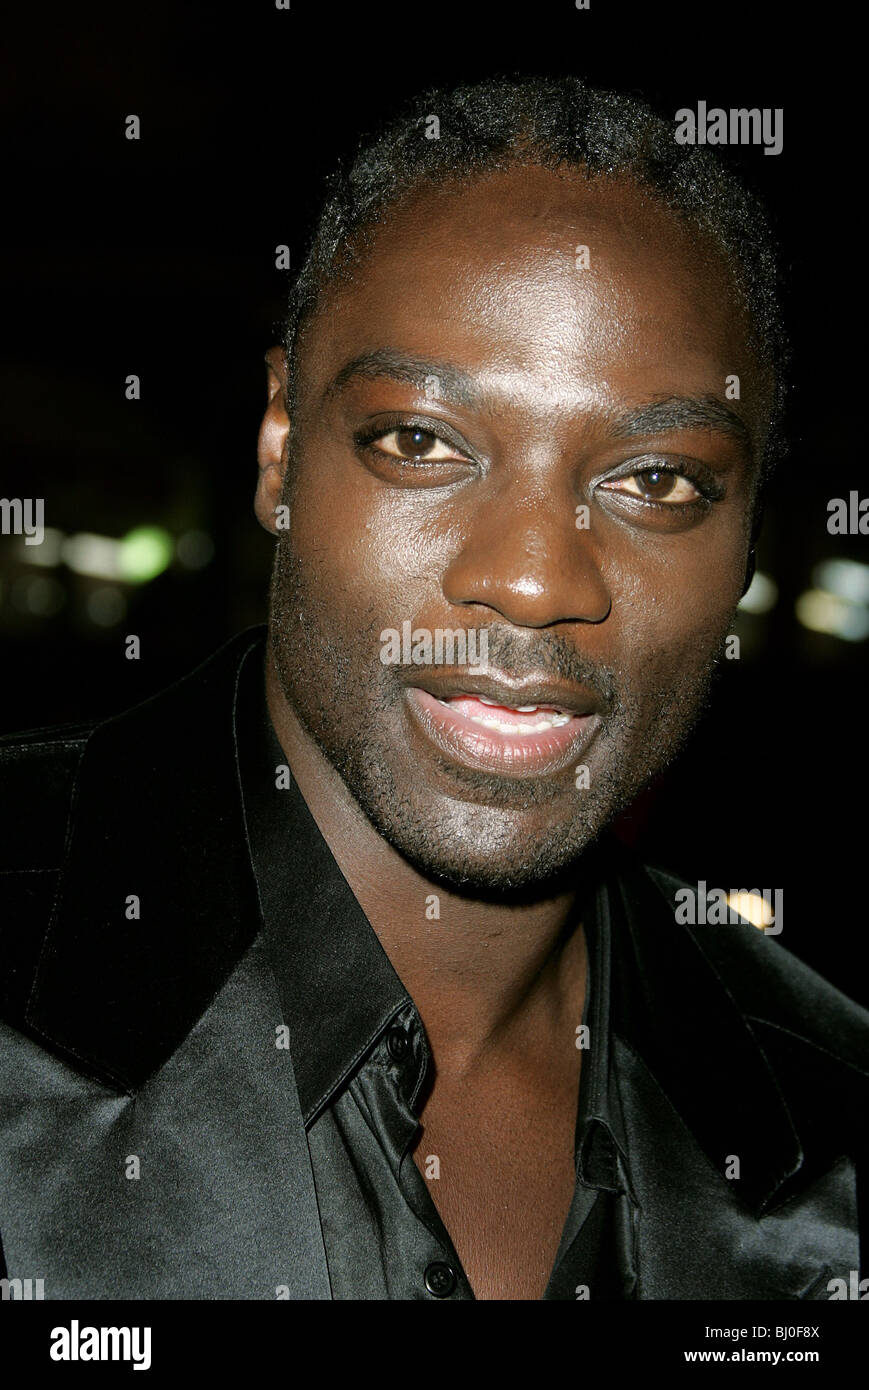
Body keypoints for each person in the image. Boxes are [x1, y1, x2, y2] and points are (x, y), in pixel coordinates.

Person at [1, 75, 866, 1302]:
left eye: (657, 480)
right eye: (419, 441)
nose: (529, 578)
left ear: (743, 546)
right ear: (280, 451)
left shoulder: (830, 1124)